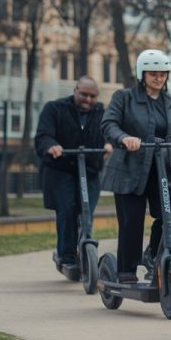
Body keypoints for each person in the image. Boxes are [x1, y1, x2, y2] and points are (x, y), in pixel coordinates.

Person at [101, 49, 171, 283]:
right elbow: (109, 123)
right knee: (131, 220)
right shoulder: (124, 98)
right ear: (142, 74)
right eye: (153, 74)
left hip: (165, 169)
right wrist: (123, 138)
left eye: (163, 74)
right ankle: (126, 271)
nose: (159, 78)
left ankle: (152, 255)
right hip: (131, 169)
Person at [34, 76, 111, 270]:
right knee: (67, 208)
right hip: (61, 168)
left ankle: (85, 247)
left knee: (86, 211)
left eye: (92, 96)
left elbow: (110, 131)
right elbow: (43, 134)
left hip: (90, 169)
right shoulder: (55, 108)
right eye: (83, 94)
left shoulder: (102, 112)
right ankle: (66, 254)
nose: (88, 99)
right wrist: (51, 145)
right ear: (75, 90)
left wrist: (110, 143)